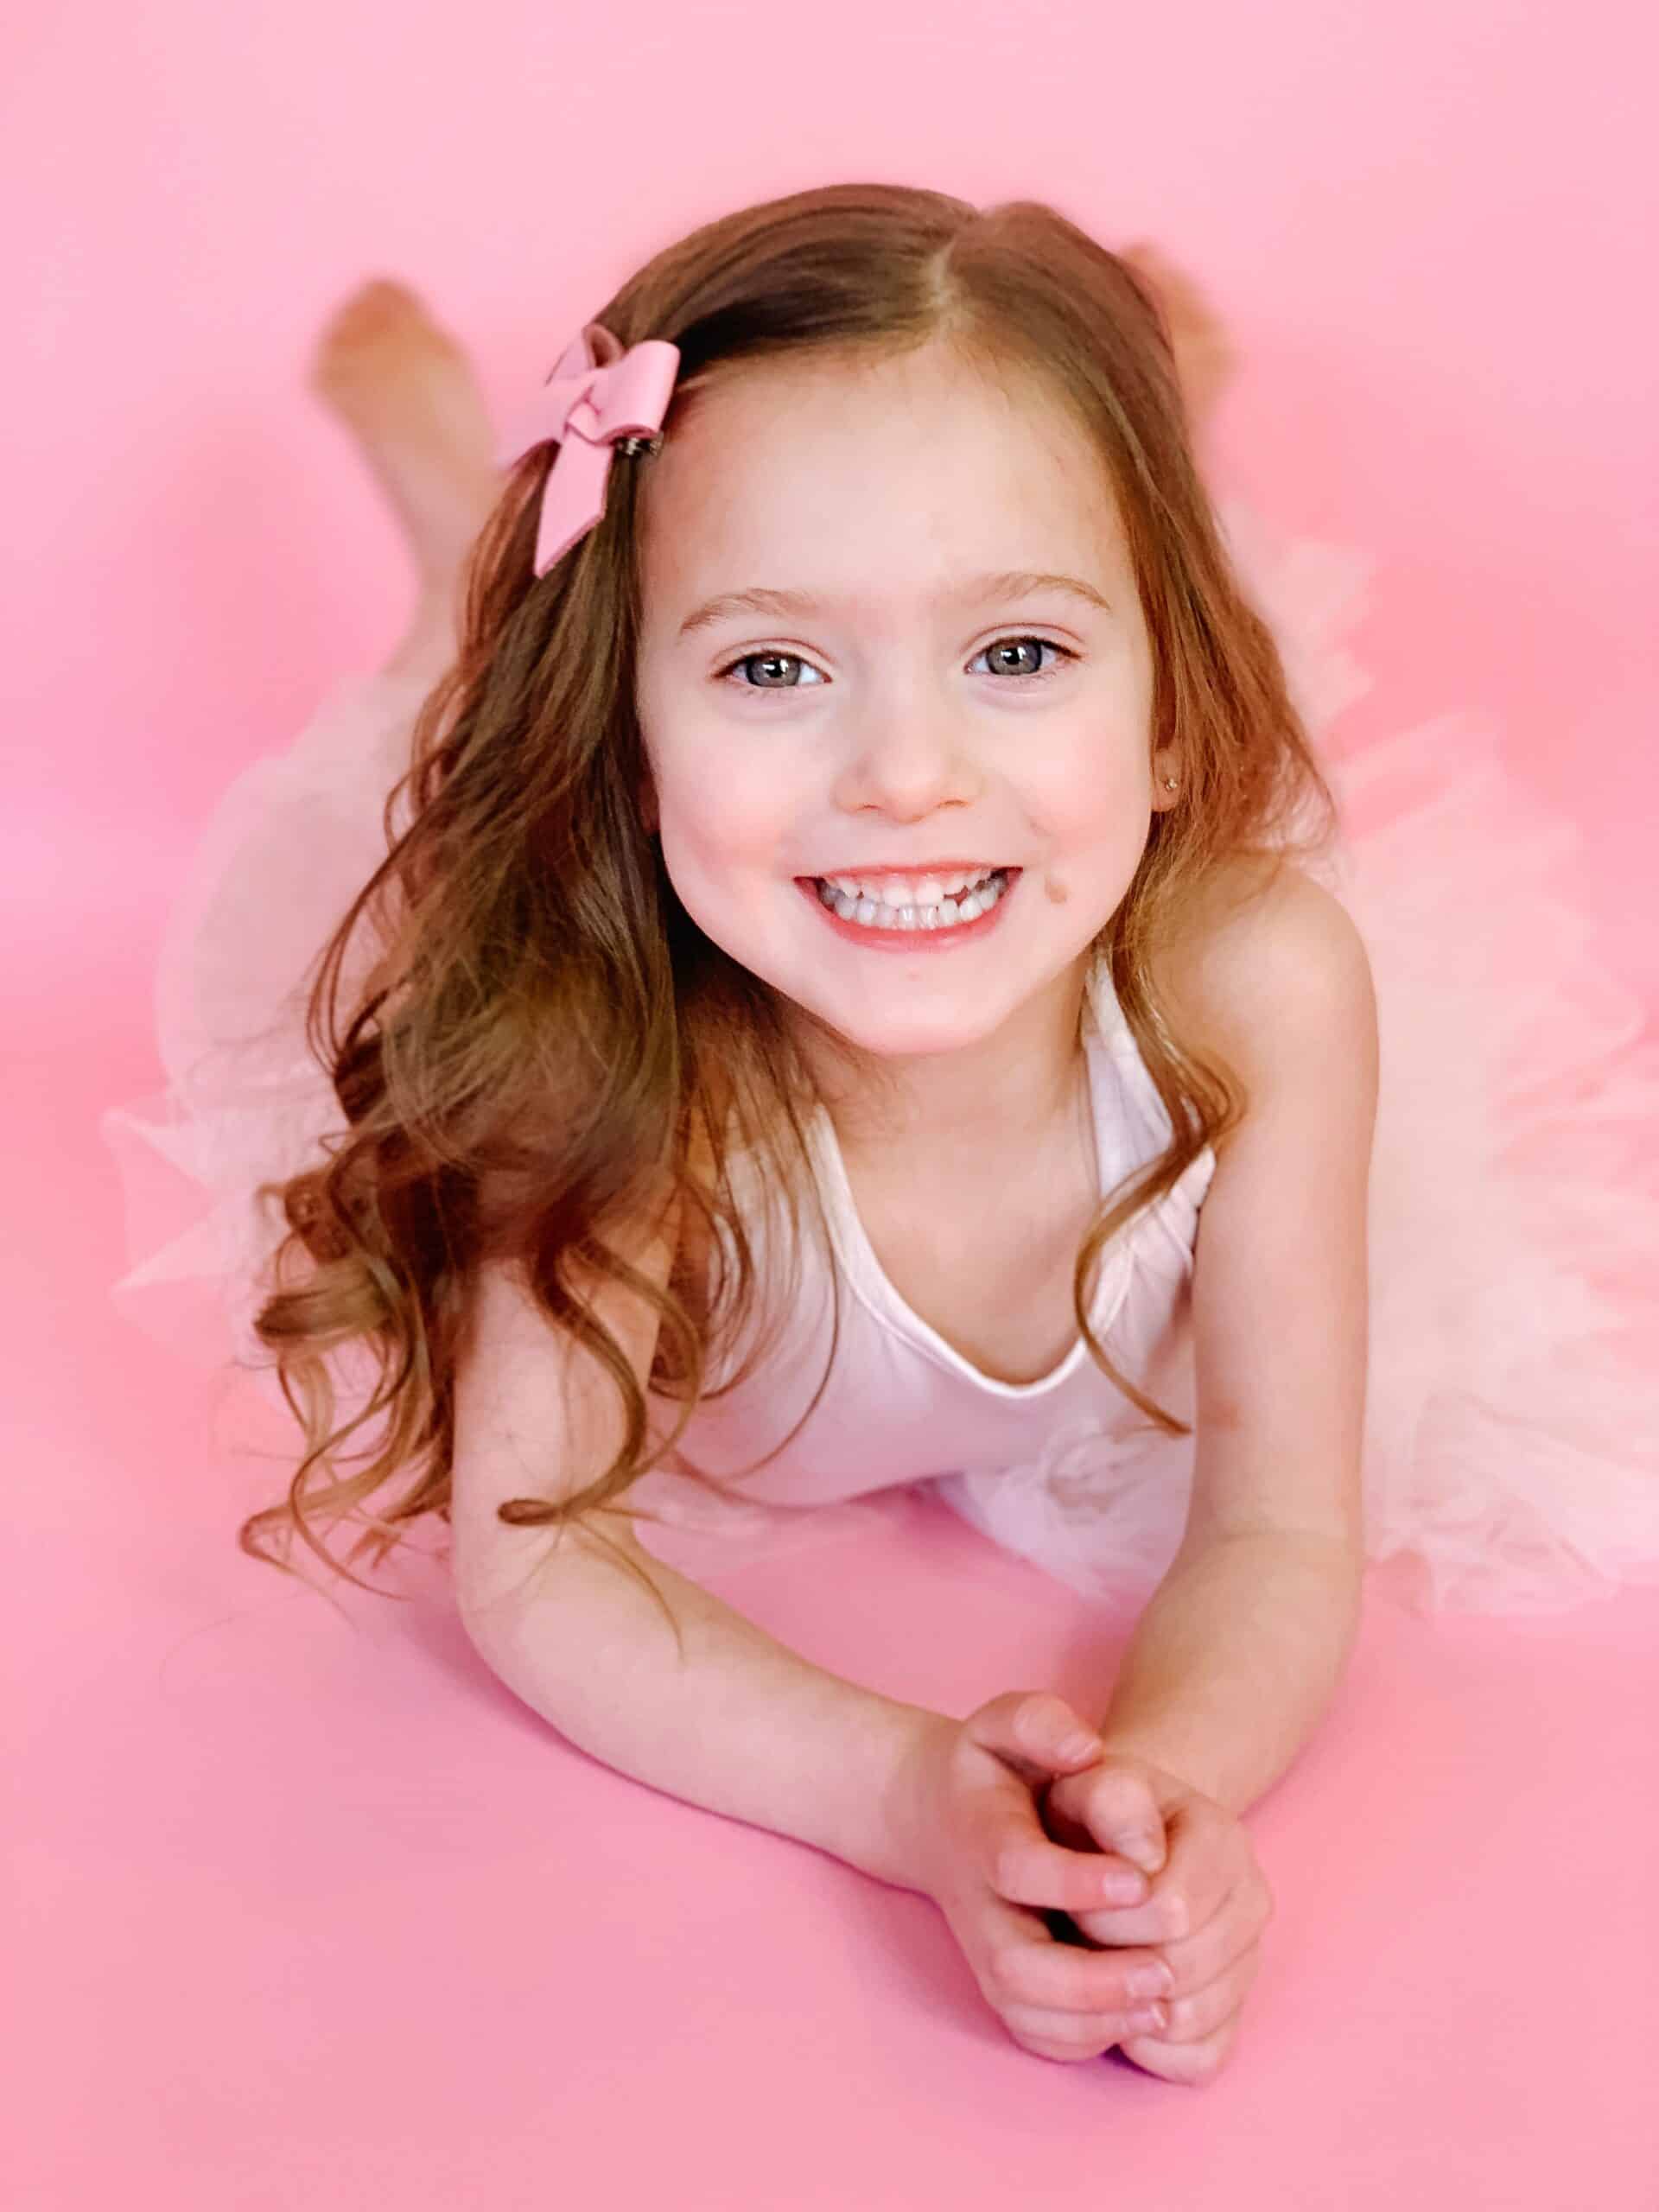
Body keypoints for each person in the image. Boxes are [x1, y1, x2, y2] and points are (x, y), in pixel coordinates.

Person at [100, 187, 1659, 2084]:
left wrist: (1140, 1804)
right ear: (643, 741)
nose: (904, 773)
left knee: (1164, 660)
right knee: (445, 751)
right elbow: (537, 1564)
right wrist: (907, 1788)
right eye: (772, 667)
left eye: (1014, 653)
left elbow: (1273, 1522)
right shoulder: (606, 1052)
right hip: (602, 861)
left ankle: (1167, 433)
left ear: (1157, 719)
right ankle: (461, 516)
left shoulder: (1260, 987)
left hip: (1122, 840)